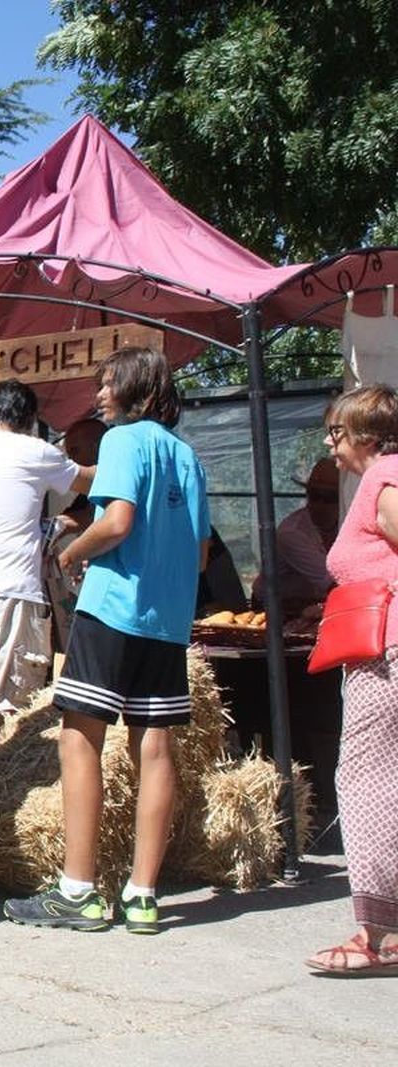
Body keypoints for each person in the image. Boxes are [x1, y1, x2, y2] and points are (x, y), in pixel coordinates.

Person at [4, 346, 208, 935]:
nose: (98, 395)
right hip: (167, 620)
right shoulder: (188, 457)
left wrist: (72, 551)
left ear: (134, 390)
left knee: (80, 736)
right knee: (155, 747)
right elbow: (197, 555)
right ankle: (143, 895)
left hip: (113, 610)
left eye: (107, 385)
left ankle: (79, 890)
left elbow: (117, 522)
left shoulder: (123, 441)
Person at [0, 379, 93, 796]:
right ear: (29, 421)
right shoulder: (32, 450)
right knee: (15, 718)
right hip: (8, 596)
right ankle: (10, 837)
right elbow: (90, 482)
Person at [306, 385, 398, 974]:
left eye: (336, 433)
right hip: (380, 645)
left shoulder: (384, 475)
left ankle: (380, 936)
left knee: (365, 776)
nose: (330, 444)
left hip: (386, 649)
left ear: (365, 435)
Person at [257, 456, 338, 617]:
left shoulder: (345, 524)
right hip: (277, 607)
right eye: (314, 495)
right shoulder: (292, 533)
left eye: (330, 497)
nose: (320, 504)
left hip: (312, 603)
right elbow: (331, 582)